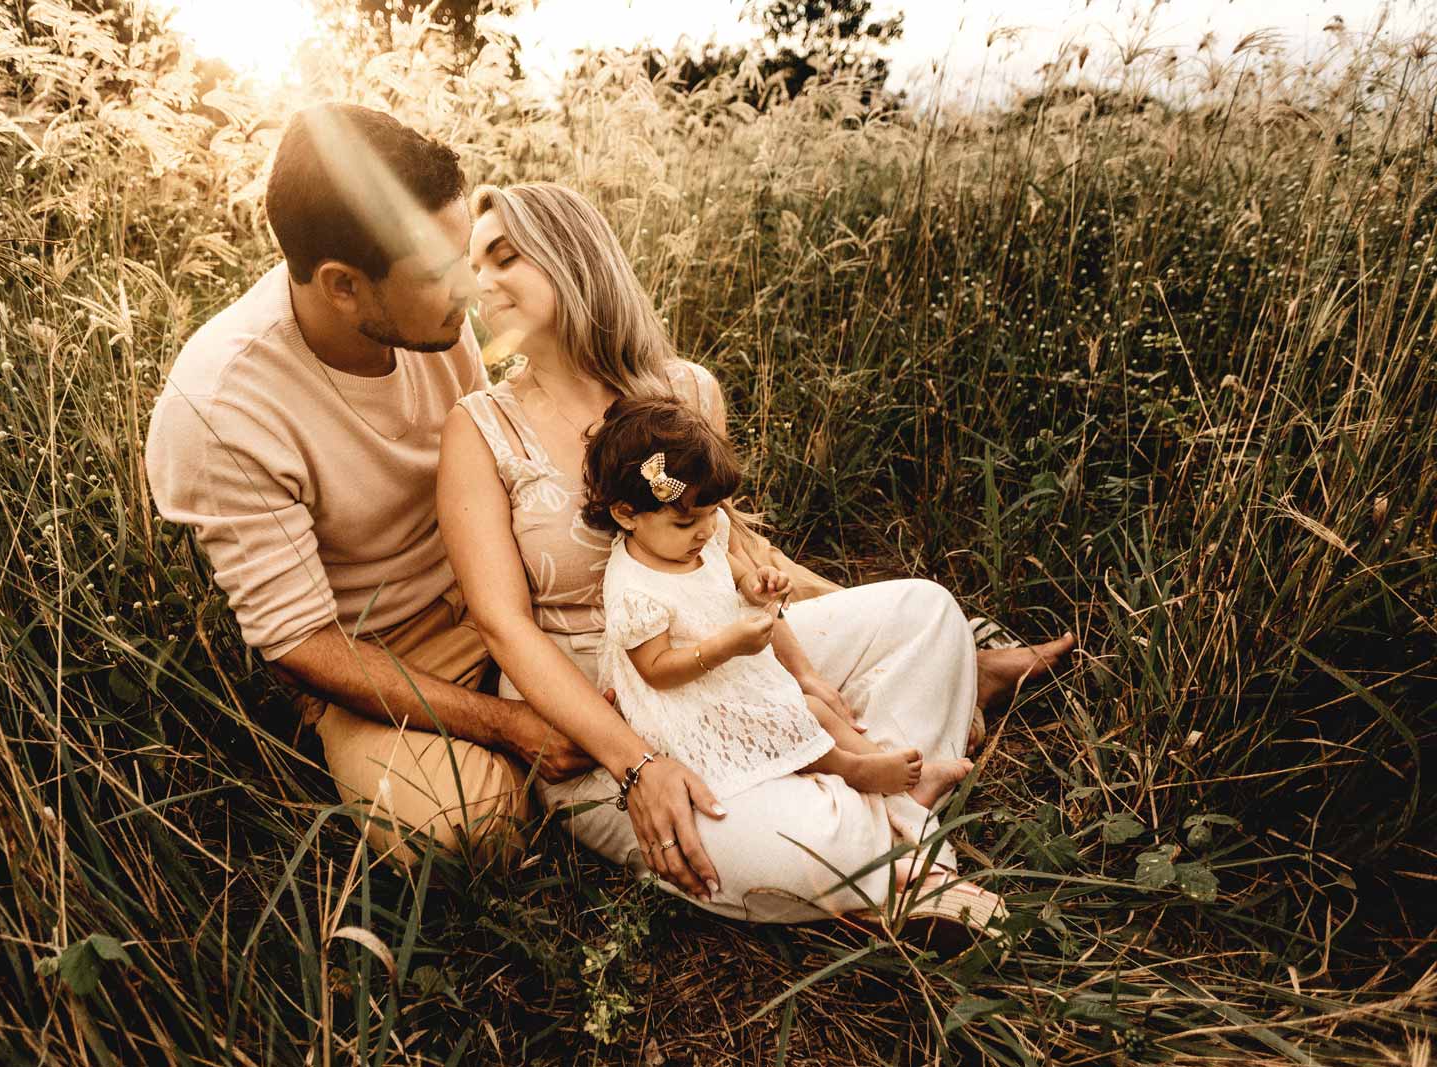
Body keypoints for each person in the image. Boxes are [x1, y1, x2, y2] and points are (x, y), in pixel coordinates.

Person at [438, 180, 1075, 924]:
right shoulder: (478, 429)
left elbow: (734, 549)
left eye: (503, 257)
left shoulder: (682, 390)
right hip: (607, 707)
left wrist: (806, 656)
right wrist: (635, 763)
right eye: (470, 264)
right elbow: (503, 626)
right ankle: (900, 837)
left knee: (929, 615)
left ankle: (874, 825)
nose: (476, 281)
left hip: (738, 649)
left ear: (570, 256)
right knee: (787, 841)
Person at [144, 104, 593, 866]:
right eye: (441, 274)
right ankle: (525, 754)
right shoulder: (221, 406)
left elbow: (497, 455)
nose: (474, 289)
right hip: (384, 650)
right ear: (344, 286)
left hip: (499, 573)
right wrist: (504, 722)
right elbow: (300, 642)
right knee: (463, 831)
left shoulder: (434, 322)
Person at [585, 396, 975, 809]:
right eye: (686, 522)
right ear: (627, 514)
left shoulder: (695, 539)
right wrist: (727, 646)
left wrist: (753, 583)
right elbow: (656, 672)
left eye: (712, 514)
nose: (704, 532)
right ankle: (855, 773)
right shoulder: (633, 590)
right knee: (792, 719)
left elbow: (725, 565)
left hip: (730, 674)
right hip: (688, 703)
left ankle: (882, 765)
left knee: (811, 710)